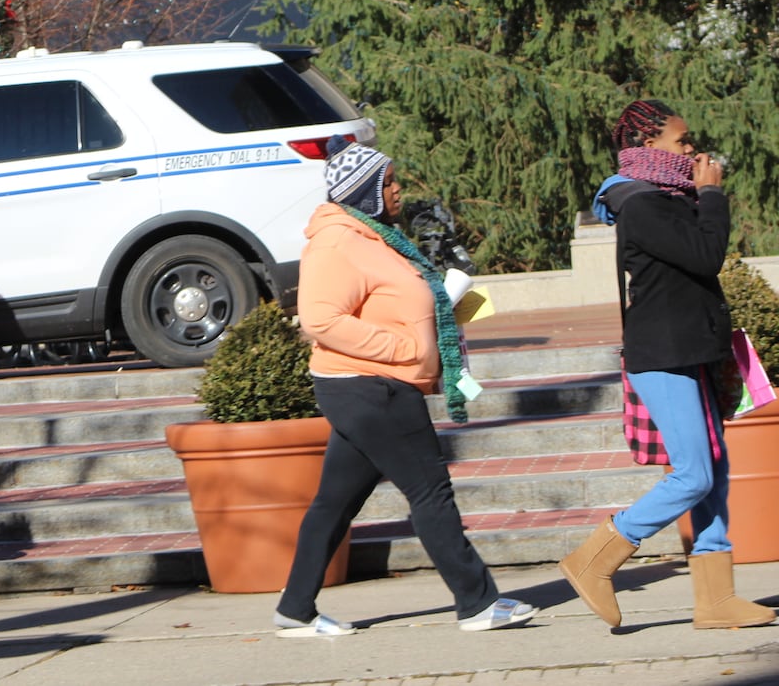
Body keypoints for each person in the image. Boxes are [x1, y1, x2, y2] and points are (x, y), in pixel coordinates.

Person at [274, 137, 536, 637]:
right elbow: (320, 320)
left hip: (370, 386)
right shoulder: (338, 243)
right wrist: (405, 348)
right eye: (388, 182)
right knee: (430, 490)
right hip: (372, 387)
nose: (398, 190)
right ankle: (478, 602)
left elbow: (389, 302)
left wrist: (438, 318)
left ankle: (294, 609)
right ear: (364, 192)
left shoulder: (373, 238)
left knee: (335, 501)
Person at [560, 100, 774, 630]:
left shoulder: (660, 198)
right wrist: (712, 195)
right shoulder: (642, 203)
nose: (693, 151)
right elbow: (705, 256)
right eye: (682, 142)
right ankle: (595, 558)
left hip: (688, 350)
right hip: (663, 355)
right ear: (648, 146)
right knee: (694, 474)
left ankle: (716, 599)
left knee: (715, 469)